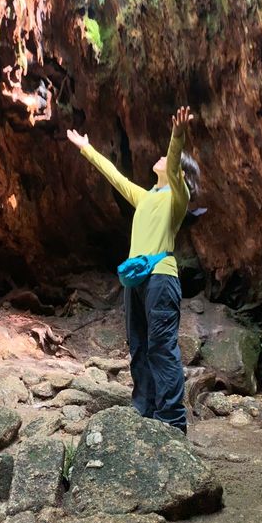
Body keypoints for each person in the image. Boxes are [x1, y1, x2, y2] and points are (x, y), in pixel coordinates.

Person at [67, 106, 199, 434]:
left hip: (161, 278)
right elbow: (116, 177)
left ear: (176, 170)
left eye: (166, 159)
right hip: (135, 279)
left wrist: (177, 135)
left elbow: (174, 156)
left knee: (161, 346)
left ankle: (171, 420)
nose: (159, 158)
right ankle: (145, 409)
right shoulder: (146, 197)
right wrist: (87, 150)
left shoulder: (176, 199)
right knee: (139, 345)